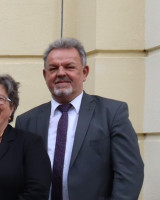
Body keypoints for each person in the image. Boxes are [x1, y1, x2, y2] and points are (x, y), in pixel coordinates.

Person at [15, 38, 144, 200]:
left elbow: (130, 173)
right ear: (45, 75)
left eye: (69, 67)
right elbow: (18, 178)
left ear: (85, 72)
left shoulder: (112, 113)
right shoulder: (27, 121)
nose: (61, 73)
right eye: (53, 68)